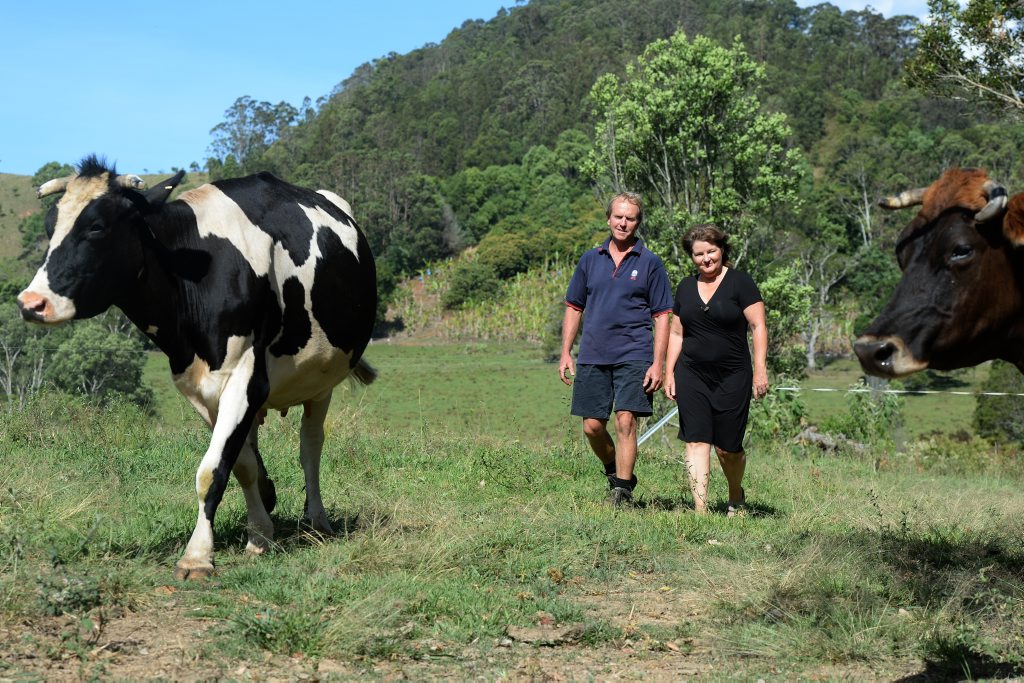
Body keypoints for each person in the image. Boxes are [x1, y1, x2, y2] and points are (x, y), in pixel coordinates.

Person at [559, 192, 672, 507]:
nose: (624, 223)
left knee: (626, 420)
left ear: (638, 223)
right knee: (592, 427)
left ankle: (622, 491)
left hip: (635, 353)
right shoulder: (590, 259)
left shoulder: (649, 263)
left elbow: (663, 315)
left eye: (631, 218)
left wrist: (658, 363)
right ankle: (615, 472)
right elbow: (573, 306)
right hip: (593, 353)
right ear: (609, 219)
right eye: (619, 217)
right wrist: (566, 351)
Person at [664, 224, 768, 515]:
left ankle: (736, 494)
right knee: (696, 440)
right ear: (692, 257)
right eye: (699, 254)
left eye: (711, 251)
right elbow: (676, 334)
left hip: (733, 374)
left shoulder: (740, 283)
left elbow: (758, 326)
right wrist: (668, 371)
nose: (706, 258)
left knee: (727, 447)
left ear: (722, 250)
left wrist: (760, 369)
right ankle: (701, 510)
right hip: (691, 374)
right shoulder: (685, 286)